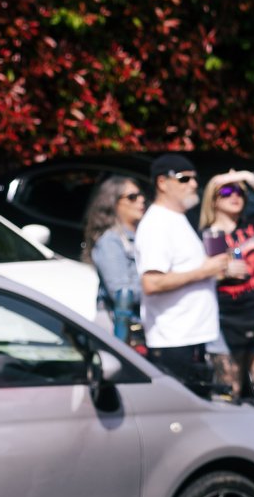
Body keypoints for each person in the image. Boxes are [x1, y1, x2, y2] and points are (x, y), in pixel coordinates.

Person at [137, 153, 244, 395]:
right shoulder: (156, 224)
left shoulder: (178, 219)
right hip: (174, 341)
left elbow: (185, 270)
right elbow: (151, 282)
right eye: (184, 179)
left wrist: (216, 269)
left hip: (193, 336)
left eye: (195, 179)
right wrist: (204, 270)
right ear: (162, 183)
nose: (194, 184)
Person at [200, 168, 254, 402]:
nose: (234, 195)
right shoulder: (210, 236)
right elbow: (202, 276)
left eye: (239, 191)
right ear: (213, 199)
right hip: (227, 322)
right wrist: (221, 272)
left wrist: (248, 177)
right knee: (230, 392)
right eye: (226, 191)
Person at [84, 175, 147, 346]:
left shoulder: (143, 235)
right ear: (113, 203)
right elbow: (120, 292)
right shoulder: (110, 241)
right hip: (125, 331)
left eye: (141, 195)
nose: (141, 200)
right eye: (132, 197)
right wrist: (159, 284)